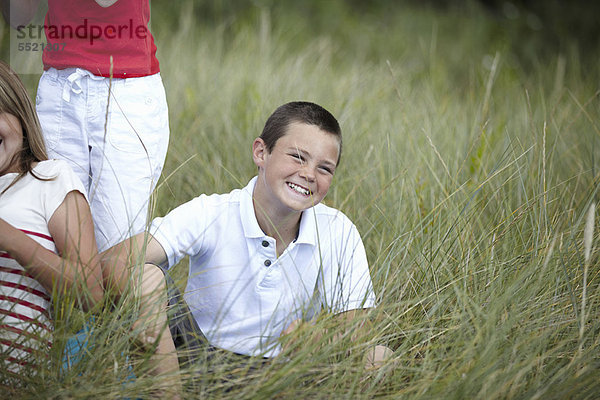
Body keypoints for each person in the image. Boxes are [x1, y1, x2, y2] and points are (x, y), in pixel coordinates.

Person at [102, 102, 392, 372]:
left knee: (380, 357)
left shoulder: (337, 230)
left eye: (324, 168)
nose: (308, 174)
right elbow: (114, 260)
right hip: (198, 359)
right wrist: (148, 309)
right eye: (297, 157)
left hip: (288, 370)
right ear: (261, 153)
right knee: (144, 276)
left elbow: (357, 328)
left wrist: (316, 338)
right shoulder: (211, 213)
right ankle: (169, 392)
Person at [1, 0, 170, 252]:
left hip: (124, 89)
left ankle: (160, 286)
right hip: (60, 91)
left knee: (115, 253)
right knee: (53, 239)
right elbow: (18, 18)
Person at [0, 61, 103, 380]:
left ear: (18, 112)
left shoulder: (50, 178)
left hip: (19, 378)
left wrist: (9, 237)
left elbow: (90, 294)